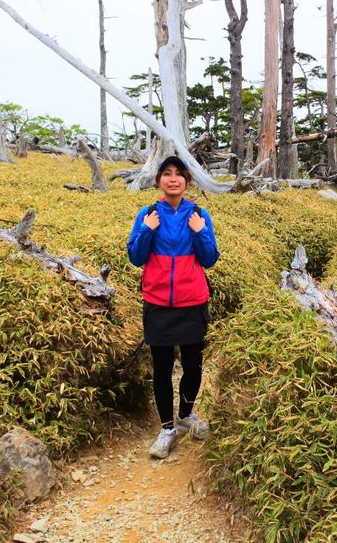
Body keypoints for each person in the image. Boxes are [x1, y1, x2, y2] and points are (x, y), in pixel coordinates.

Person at [126, 155, 220, 459]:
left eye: (179, 174)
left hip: (192, 300)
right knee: (163, 367)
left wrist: (200, 231)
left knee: (193, 365)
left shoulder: (199, 213)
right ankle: (167, 427)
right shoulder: (148, 212)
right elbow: (136, 257)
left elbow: (209, 259)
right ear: (158, 181)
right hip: (158, 302)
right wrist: (147, 229)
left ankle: (186, 415)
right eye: (166, 174)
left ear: (187, 181)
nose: (173, 179)